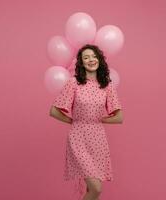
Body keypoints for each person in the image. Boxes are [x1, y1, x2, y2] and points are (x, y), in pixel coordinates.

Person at [49, 44, 123, 200]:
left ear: (99, 60)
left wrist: (100, 118)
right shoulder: (74, 83)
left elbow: (119, 117)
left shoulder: (107, 86)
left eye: (94, 56)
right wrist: (74, 121)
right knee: (96, 188)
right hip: (78, 138)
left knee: (92, 190)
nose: (91, 60)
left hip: (98, 139)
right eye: (86, 57)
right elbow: (54, 111)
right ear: (81, 63)